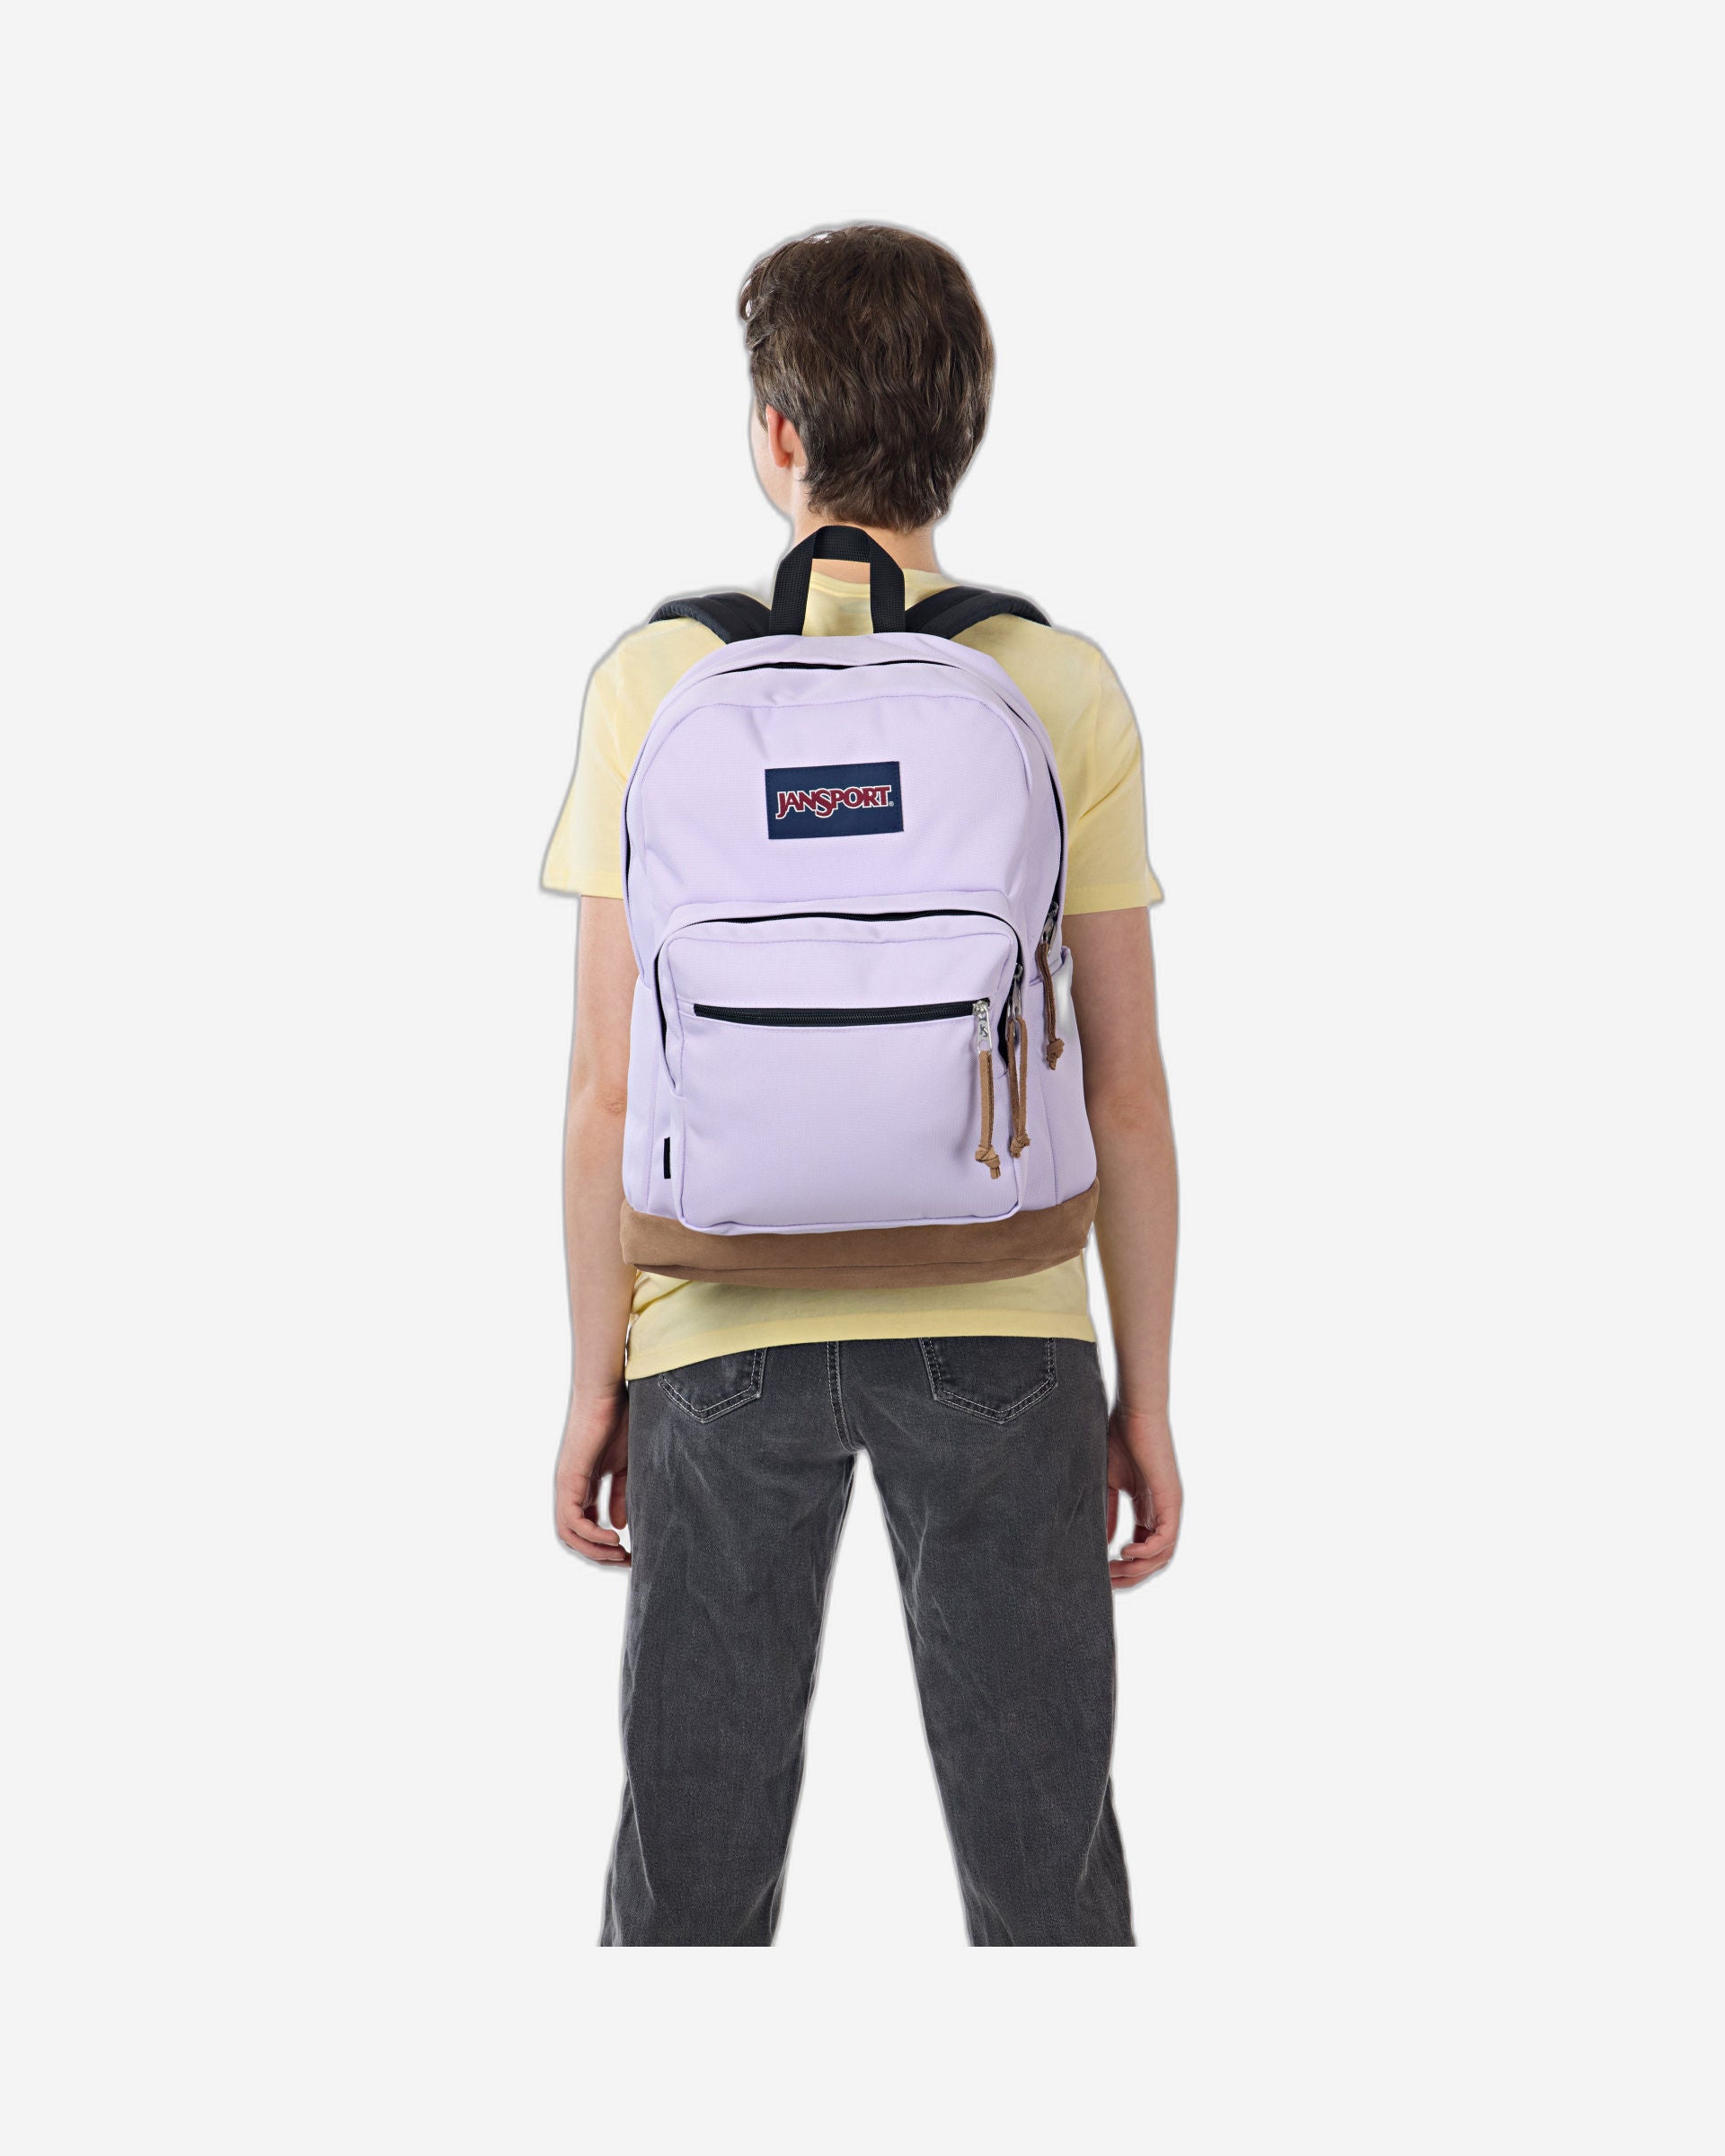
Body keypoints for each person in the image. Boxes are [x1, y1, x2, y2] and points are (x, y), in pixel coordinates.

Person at [542, 225, 1181, 1946]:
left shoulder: (656, 682)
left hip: (714, 1323)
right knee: (1046, 1891)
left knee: (687, 1897)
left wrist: (596, 1379)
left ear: (778, 431)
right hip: (1006, 1318)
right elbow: (1125, 1093)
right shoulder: (1056, 684)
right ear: (966, 429)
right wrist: (1145, 1393)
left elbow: (606, 1088)